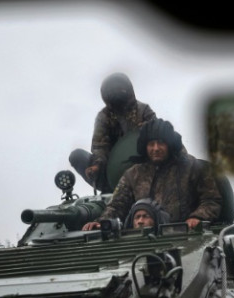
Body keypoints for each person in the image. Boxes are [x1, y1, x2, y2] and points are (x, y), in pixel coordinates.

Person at [82, 118, 222, 231]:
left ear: (170, 144)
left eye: (161, 143)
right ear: (145, 146)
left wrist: (197, 217)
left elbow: (211, 200)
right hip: (142, 238)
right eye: (151, 144)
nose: (156, 148)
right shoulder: (134, 174)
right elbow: (117, 206)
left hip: (184, 235)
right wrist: (101, 222)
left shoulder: (191, 167)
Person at [69, 72, 156, 193]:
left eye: (121, 88)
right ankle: (110, 189)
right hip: (112, 170)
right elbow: (100, 146)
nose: (117, 92)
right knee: (77, 156)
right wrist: (97, 165)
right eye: (112, 90)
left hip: (143, 166)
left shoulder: (143, 110)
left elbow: (158, 134)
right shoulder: (104, 117)